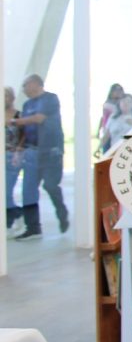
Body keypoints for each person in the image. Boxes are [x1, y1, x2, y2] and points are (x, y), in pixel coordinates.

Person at [10, 74, 68, 240]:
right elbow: (26, 130)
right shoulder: (27, 104)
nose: (23, 89)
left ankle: (61, 211)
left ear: (35, 84)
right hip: (32, 152)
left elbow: (39, 119)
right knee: (28, 190)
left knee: (50, 185)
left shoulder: (50, 99)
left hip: (51, 151)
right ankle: (33, 227)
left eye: (25, 85)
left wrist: (13, 122)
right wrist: (20, 149)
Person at [5, 86, 25, 232]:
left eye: (6, 96)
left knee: (6, 191)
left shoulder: (19, 115)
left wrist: (19, 150)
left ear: (12, 98)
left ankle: (17, 216)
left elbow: (25, 135)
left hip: (13, 156)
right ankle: (14, 217)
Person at [96, 83, 124, 156]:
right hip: (107, 130)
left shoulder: (123, 103)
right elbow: (103, 117)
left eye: (120, 90)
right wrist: (99, 130)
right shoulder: (107, 103)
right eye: (116, 90)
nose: (118, 92)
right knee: (106, 152)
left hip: (117, 131)